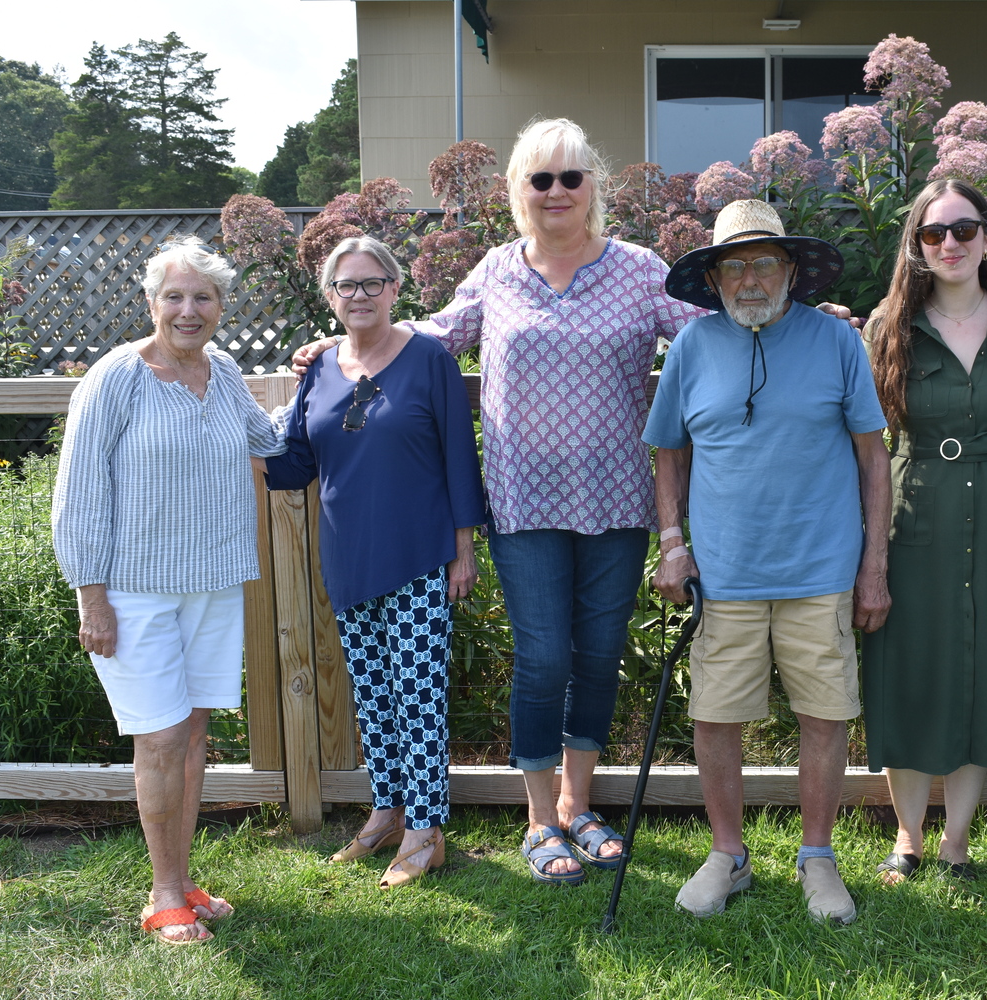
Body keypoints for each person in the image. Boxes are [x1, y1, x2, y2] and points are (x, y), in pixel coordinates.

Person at [294, 119, 705, 884]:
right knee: (543, 658)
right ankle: (539, 818)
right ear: (518, 192)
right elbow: (436, 334)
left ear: (594, 189)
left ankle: (580, 808)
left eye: (570, 178)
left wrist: (804, 325)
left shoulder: (642, 270)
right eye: (539, 180)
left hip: (617, 499)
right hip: (522, 501)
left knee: (599, 657)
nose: (555, 192)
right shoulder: (496, 271)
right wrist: (348, 339)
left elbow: (711, 332)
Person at [645, 199, 891, 925]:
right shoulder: (691, 348)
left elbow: (873, 461)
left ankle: (818, 857)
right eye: (733, 266)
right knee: (717, 718)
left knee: (825, 713)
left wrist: (872, 567)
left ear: (790, 269)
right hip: (723, 578)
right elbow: (668, 452)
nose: (749, 279)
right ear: (714, 278)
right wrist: (670, 543)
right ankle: (730, 855)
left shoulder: (838, 342)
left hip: (822, 569)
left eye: (762, 262)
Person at [52, 236, 287, 944]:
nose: (189, 310)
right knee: (158, 739)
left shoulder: (223, 370)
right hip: (133, 592)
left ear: (222, 307)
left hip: (214, 583)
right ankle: (161, 896)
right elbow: (78, 495)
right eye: (175, 296)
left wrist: (322, 380)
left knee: (190, 736)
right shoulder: (117, 376)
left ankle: (183, 881)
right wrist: (91, 596)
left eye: (204, 297)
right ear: (151, 302)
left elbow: (267, 440)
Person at [261, 236, 487, 888]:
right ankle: (387, 811)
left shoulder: (428, 359)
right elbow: (297, 463)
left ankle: (426, 831)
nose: (357, 295)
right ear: (329, 297)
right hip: (349, 556)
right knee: (374, 697)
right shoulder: (320, 369)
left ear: (394, 289)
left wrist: (462, 547)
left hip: (418, 553)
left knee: (419, 697)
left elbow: (457, 456)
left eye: (370, 283)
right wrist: (241, 434)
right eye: (344, 286)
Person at [862, 179, 987, 883]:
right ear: (915, 246)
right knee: (911, 671)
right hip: (916, 516)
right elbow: (865, 437)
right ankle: (909, 838)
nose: (950, 244)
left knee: (982, 670)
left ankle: (958, 843)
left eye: (964, 230)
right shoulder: (886, 324)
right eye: (934, 233)